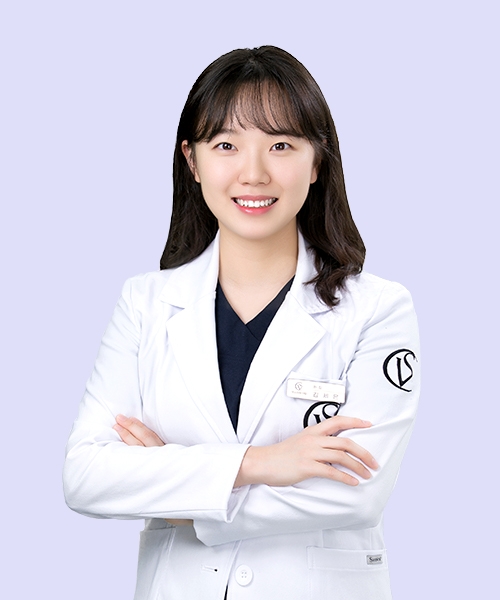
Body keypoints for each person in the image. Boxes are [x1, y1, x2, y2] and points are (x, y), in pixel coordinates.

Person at [63, 46, 419, 600]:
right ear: (192, 160)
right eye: (226, 145)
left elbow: (357, 492)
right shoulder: (145, 304)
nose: (253, 173)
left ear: (317, 162)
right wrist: (263, 464)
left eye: (281, 145)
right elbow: (86, 476)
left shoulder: (377, 310)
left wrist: (179, 495)